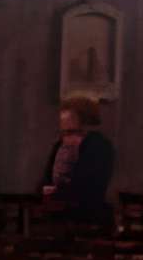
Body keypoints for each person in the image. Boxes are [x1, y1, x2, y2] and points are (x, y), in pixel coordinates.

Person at [36, 92, 116, 228]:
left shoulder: (98, 147)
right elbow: (45, 182)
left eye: (72, 132)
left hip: (88, 224)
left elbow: (88, 190)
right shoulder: (59, 145)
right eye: (63, 133)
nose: (66, 139)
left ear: (87, 127)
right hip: (56, 221)